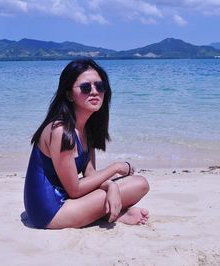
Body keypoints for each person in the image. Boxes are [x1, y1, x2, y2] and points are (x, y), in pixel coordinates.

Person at [24, 59, 150, 229]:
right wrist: (116, 167)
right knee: (137, 184)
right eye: (85, 87)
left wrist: (111, 185)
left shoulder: (85, 128)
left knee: (139, 183)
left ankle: (113, 213)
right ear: (69, 94)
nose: (94, 92)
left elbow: (90, 174)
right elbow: (75, 190)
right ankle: (112, 213)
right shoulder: (61, 131)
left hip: (69, 199)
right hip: (50, 211)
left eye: (100, 86)